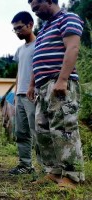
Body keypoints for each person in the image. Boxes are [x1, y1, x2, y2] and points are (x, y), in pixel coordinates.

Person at [27, 0, 85, 188]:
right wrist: (32, 84)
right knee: (42, 129)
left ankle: (72, 175)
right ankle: (54, 171)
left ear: (50, 1)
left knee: (64, 128)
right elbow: (38, 58)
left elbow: (72, 48)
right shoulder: (43, 29)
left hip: (58, 81)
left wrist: (62, 79)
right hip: (43, 86)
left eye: (36, 6)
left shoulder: (68, 18)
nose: (34, 11)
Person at [8, 11, 38, 175]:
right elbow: (20, 72)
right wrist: (15, 91)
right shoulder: (20, 50)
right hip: (19, 94)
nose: (17, 32)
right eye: (15, 29)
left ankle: (47, 168)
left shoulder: (40, 44)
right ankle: (25, 165)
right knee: (21, 132)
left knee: (37, 130)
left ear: (30, 24)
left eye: (19, 28)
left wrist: (31, 88)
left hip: (33, 94)